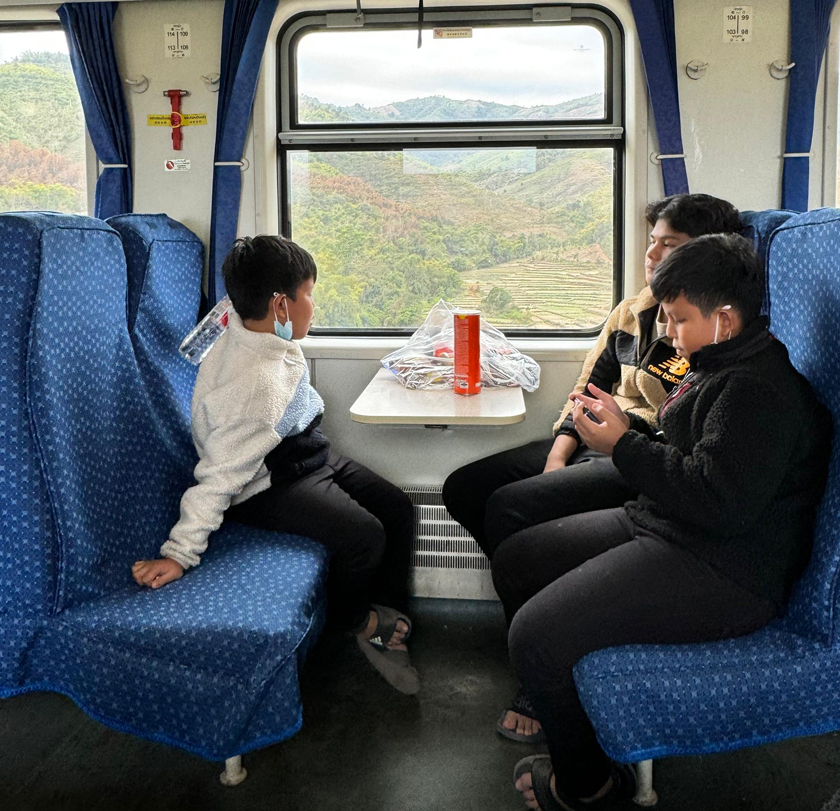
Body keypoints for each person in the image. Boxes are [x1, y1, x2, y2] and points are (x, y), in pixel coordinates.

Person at [491, 234, 831, 811]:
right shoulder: (715, 361)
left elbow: (720, 505)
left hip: (723, 569)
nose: (669, 333)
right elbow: (691, 454)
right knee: (518, 559)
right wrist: (629, 429)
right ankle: (568, 715)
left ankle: (587, 788)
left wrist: (623, 447)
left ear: (725, 317)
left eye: (678, 320)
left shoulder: (759, 393)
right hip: (669, 525)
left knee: (535, 637)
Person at [442, 192, 742, 740]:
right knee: (466, 488)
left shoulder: (706, 334)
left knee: (512, 509)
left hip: (639, 447)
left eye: (668, 245)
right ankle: (541, 609)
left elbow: (669, 412)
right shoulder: (630, 312)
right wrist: (558, 454)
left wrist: (611, 439)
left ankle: (540, 666)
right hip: (591, 433)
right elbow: (589, 386)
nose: (652, 255)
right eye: (651, 241)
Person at [132, 235, 419, 695]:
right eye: (309, 294)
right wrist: (178, 554)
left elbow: (207, 332)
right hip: (266, 481)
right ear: (281, 305)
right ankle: (358, 621)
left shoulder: (241, 319)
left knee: (398, 508)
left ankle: (392, 614)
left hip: (303, 451)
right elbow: (219, 475)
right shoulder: (255, 391)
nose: (314, 305)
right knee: (365, 536)